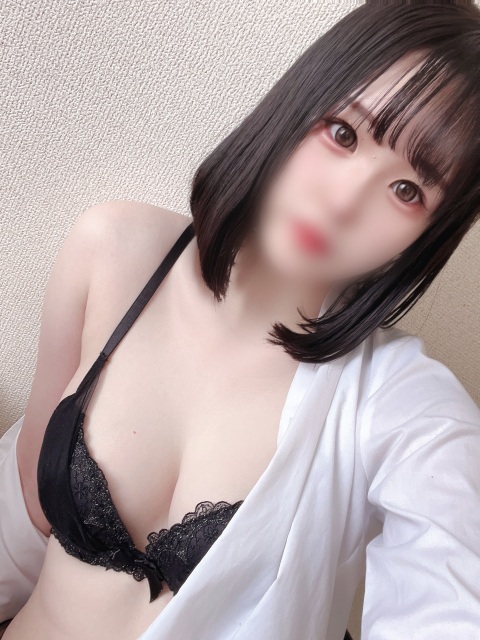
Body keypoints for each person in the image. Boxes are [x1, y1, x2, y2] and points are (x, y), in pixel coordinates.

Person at [1, 1, 480, 638]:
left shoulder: (398, 402)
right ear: (301, 100)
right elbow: (28, 501)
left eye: (407, 191)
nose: (342, 203)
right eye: (343, 134)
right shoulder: (114, 249)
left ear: (427, 238)